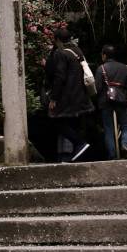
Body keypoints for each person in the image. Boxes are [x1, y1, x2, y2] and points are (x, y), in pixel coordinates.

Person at [43, 27, 93, 162]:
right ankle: (73, 155)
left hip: (67, 96)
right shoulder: (77, 51)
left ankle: (79, 144)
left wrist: (53, 98)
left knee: (57, 121)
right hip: (80, 95)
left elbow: (60, 77)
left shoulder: (61, 54)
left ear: (58, 40)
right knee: (73, 123)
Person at [95, 44, 127, 160]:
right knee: (125, 125)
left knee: (108, 128)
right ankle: (125, 145)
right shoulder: (123, 67)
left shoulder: (100, 69)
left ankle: (112, 155)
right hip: (121, 99)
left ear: (105, 55)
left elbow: (97, 87)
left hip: (105, 100)